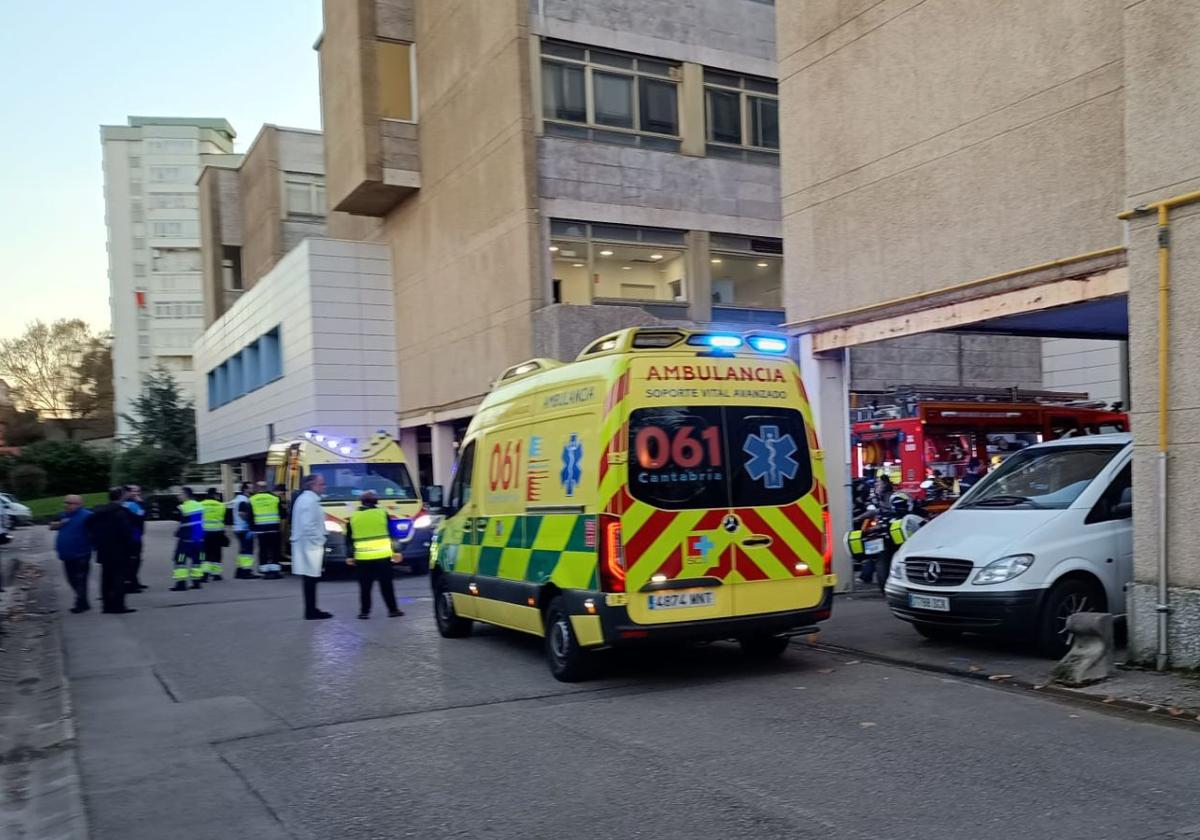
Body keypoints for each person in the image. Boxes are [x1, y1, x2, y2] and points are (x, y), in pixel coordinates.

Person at [345, 490, 404, 620]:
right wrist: (397, 552)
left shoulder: (353, 517)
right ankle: (393, 610)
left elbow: (349, 539)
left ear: (361, 502)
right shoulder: (382, 513)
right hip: (382, 557)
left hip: (362, 558)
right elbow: (392, 535)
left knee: (365, 587)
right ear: (376, 502)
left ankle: (364, 612)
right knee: (386, 585)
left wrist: (349, 556)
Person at [87, 487, 137, 614]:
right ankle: (119, 606)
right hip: (120, 550)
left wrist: (96, 538)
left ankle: (107, 605)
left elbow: (88, 524)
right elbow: (127, 531)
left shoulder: (99, 511)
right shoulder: (122, 512)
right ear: (120, 496)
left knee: (106, 578)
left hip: (104, 549)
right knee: (119, 578)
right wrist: (132, 547)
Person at [290, 473, 331, 620]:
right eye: (321, 484)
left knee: (310, 579)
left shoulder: (306, 500)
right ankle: (311, 611)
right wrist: (320, 540)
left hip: (307, 544)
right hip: (310, 546)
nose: (323, 487)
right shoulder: (309, 501)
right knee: (310, 579)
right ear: (312, 485)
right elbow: (309, 525)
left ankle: (311, 609)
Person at [50, 495, 93, 613]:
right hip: (66, 554)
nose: (66, 505)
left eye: (69, 503)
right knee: (71, 579)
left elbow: (94, 533)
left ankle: (80, 603)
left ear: (79, 504)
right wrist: (60, 524)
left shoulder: (87, 516)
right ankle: (83, 601)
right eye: (65, 502)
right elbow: (51, 526)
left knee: (80, 579)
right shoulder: (63, 515)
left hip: (81, 554)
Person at [172, 487, 206, 591]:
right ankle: (196, 582)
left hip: (186, 539)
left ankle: (181, 584)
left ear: (186, 495)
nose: (178, 496)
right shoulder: (200, 505)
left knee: (180, 560)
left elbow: (179, 520)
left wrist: (178, 532)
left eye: (180, 494)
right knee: (197, 561)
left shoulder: (182, 507)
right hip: (199, 539)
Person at [248, 482, 284, 579]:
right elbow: (282, 514)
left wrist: (252, 528)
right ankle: (275, 571)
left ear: (258, 488)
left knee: (263, 550)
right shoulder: (275, 498)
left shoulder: (252, 499)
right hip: (274, 529)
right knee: (275, 550)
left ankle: (265, 572)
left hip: (260, 530)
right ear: (266, 487)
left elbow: (250, 516)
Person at [199, 487, 227, 582]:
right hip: (217, 533)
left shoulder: (201, 505)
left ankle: (205, 574)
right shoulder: (221, 505)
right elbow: (223, 519)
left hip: (204, 533)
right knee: (217, 553)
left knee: (205, 554)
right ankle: (216, 574)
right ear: (216, 495)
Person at [123, 485, 147, 592]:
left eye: (138, 491)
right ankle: (131, 582)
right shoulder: (131, 504)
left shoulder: (132, 503)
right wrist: (141, 503)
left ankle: (134, 581)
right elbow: (142, 515)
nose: (136, 493)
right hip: (133, 533)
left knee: (136, 558)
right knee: (134, 559)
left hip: (136, 532)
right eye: (133, 491)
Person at [232, 482, 258, 579]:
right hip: (244, 529)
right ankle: (246, 572)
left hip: (238, 528)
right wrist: (249, 523)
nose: (252, 489)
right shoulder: (244, 500)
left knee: (242, 551)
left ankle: (239, 571)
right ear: (245, 489)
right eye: (250, 488)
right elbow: (242, 514)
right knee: (247, 551)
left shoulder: (238, 499)